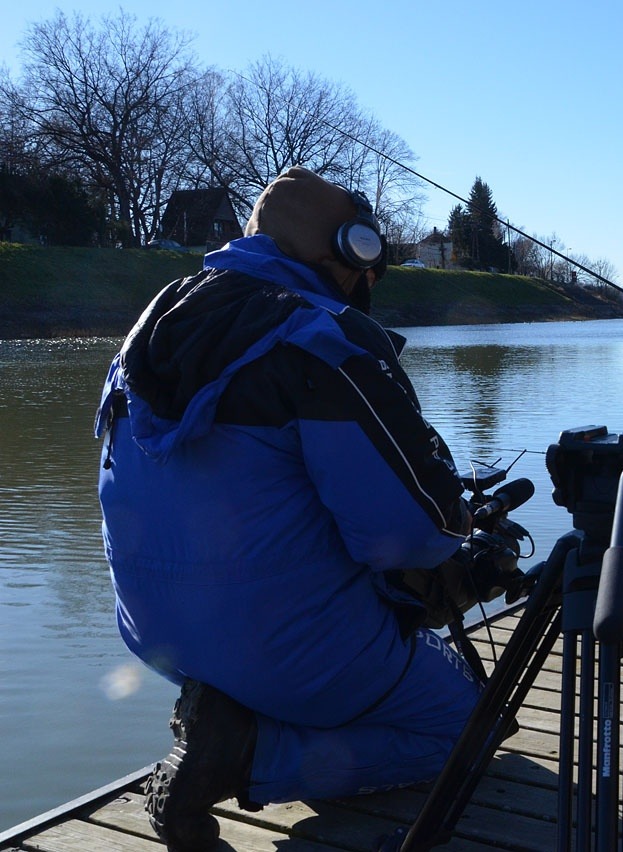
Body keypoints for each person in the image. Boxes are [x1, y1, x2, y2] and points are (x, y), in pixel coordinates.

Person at [95, 166, 482, 851]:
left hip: (159, 637)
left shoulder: (144, 338)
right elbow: (415, 533)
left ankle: (229, 714)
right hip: (292, 652)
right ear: (353, 252)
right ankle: (247, 755)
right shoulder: (322, 339)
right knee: (463, 728)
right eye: (370, 268)